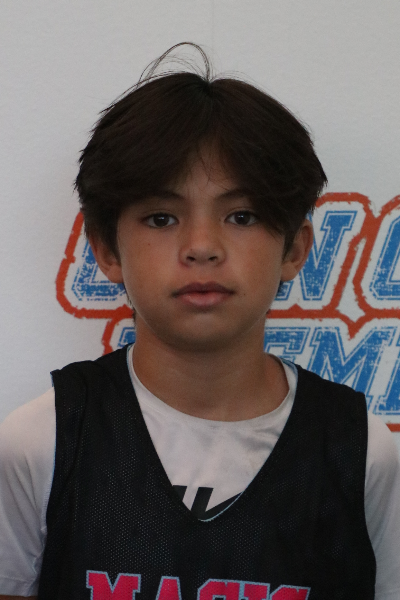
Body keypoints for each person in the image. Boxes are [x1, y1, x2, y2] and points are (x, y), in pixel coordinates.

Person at [0, 43, 399, 600]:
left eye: (242, 215)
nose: (202, 246)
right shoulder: (40, 441)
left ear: (294, 248)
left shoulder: (364, 453)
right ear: (107, 250)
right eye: (162, 218)